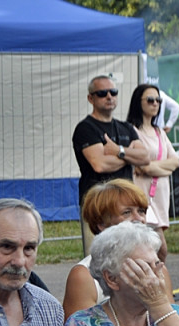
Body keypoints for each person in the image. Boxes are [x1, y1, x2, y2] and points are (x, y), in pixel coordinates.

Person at [62, 179, 161, 320]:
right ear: (101, 223)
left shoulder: (156, 265)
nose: (139, 219)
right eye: (127, 212)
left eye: (141, 211)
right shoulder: (83, 276)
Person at [72, 75, 149, 254]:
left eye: (113, 92)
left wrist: (117, 150)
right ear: (91, 98)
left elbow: (145, 157)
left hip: (127, 205)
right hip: (99, 204)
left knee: (130, 253)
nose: (109, 96)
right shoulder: (85, 128)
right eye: (102, 93)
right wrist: (129, 154)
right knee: (99, 256)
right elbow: (100, 164)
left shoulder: (126, 128)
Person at [126, 83, 179, 256]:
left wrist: (151, 168)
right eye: (150, 100)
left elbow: (174, 162)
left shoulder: (159, 132)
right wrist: (162, 168)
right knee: (159, 248)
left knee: (154, 250)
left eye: (158, 100)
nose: (155, 104)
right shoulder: (132, 131)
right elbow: (140, 164)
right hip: (143, 197)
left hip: (160, 197)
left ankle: (153, 281)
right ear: (138, 102)